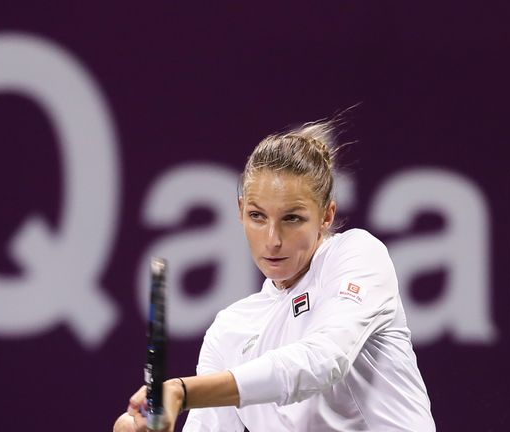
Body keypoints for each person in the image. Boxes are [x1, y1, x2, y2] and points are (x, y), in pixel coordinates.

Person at [114, 118, 436, 431]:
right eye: (257, 216)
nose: (272, 240)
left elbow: (323, 361)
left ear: (326, 216)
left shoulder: (357, 255)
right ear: (240, 211)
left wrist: (182, 392)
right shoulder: (229, 330)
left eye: (292, 218)